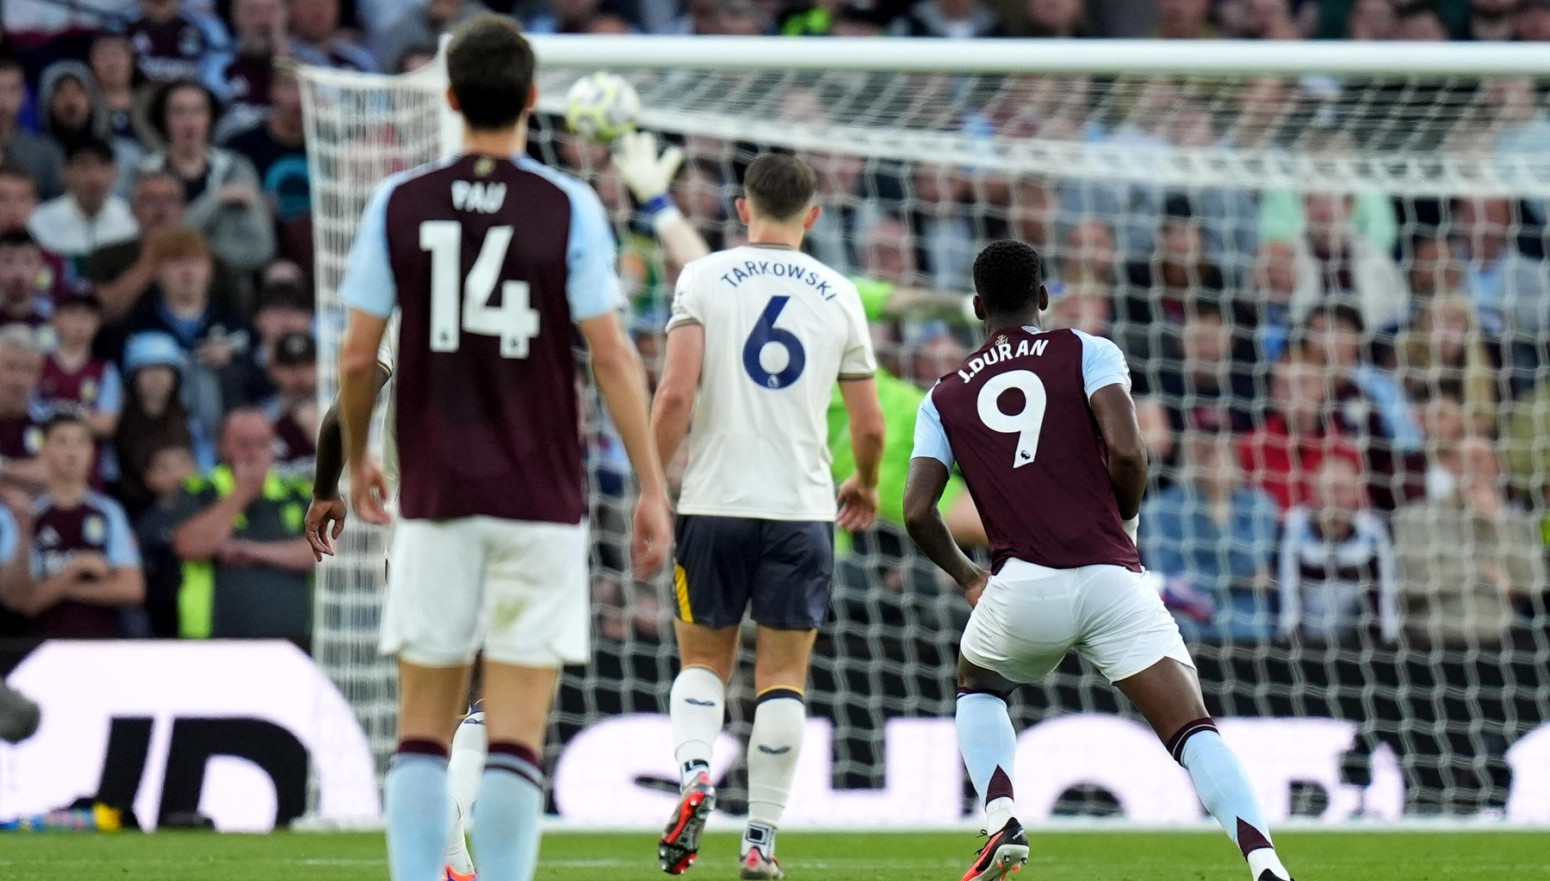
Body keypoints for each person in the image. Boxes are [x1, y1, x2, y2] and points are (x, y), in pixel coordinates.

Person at [328, 17, 671, 881]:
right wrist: (651, 484)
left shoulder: (399, 201)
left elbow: (357, 358)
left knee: (421, 728)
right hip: (538, 502)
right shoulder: (567, 205)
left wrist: (359, 457)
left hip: (435, 500)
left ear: (448, 98)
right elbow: (613, 355)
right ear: (531, 100)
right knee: (515, 733)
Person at [902, 241, 1296, 881]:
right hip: (1114, 578)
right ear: (1043, 297)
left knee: (978, 685)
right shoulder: (1088, 350)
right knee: (1192, 728)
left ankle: (1002, 818)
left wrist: (969, 578)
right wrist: (1127, 524)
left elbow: (917, 511)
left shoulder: (942, 397)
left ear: (976, 307)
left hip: (1022, 588)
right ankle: (1266, 863)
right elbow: (1130, 452)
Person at [648, 152, 884, 879]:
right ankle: (760, 840)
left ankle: (695, 774)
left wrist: (652, 485)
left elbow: (675, 395)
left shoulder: (704, 276)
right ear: (813, 214)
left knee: (702, 662)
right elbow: (870, 424)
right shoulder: (839, 292)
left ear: (743, 209)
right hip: (801, 509)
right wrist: (865, 481)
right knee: (783, 675)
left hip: (714, 503)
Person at [169, 407, 313, 641]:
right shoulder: (199, 489)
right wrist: (243, 492)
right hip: (212, 641)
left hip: (294, 642)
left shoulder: (296, 492)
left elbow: (323, 553)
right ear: (222, 447)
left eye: (262, 444)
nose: (253, 453)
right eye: (243, 444)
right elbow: (189, 546)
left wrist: (254, 552)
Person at [6, 413, 144, 638]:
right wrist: (77, 567)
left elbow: (132, 589)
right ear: (44, 450)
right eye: (62, 441)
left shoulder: (109, 511)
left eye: (81, 442)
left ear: (92, 451)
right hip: (39, 645)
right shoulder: (26, 514)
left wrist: (60, 588)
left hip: (99, 644)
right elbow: (25, 602)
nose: (72, 452)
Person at [29, 137, 139, 268]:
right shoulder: (39, 219)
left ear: (116, 172)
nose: (94, 177)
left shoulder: (132, 218)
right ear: (65, 172)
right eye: (84, 166)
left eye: (103, 166)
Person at [39, 291, 122, 441]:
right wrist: (84, 419)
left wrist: (57, 416)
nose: (80, 322)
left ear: (98, 322)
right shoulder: (39, 363)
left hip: (88, 451)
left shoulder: (105, 370)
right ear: (55, 318)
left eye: (87, 315)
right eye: (72, 313)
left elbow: (107, 423)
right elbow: (27, 411)